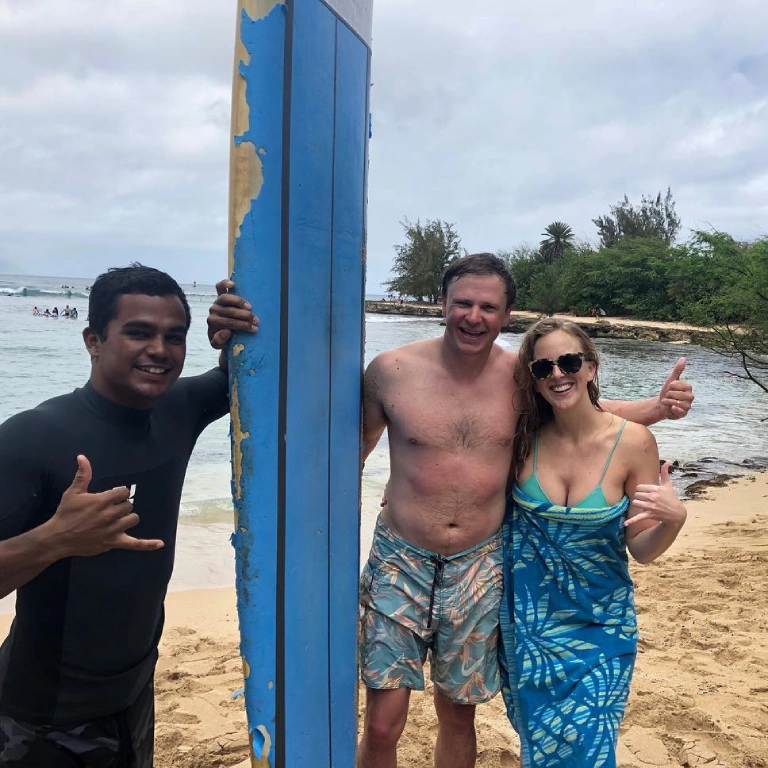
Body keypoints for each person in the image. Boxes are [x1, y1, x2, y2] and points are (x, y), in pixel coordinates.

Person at [358, 253, 693, 768]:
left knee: (458, 713)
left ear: (506, 314)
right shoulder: (390, 371)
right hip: (400, 559)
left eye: (488, 307)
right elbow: (347, 457)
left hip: (479, 564)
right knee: (382, 722)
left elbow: (579, 406)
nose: (474, 316)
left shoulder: (519, 378)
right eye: (462, 303)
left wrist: (656, 408)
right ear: (441, 305)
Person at [0, 265, 256, 767]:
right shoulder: (33, 438)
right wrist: (56, 539)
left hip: (133, 696)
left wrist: (230, 328)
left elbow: (243, 372)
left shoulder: (179, 407)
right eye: (138, 332)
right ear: (93, 340)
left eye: (173, 337)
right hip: (39, 718)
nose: (159, 350)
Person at [499, 318, 687, 766]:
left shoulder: (634, 443)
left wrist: (674, 521)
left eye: (568, 362)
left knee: (589, 749)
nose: (558, 374)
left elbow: (640, 549)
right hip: (529, 629)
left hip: (602, 626)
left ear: (590, 366)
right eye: (543, 368)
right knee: (543, 750)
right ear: (533, 378)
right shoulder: (522, 437)